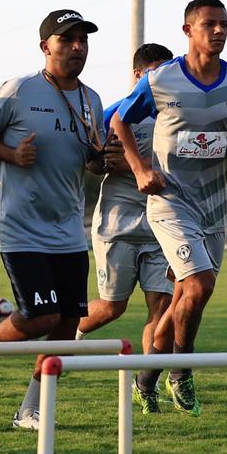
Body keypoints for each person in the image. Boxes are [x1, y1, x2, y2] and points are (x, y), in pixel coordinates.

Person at [112, 0, 227, 417]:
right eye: (209, 24)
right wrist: (140, 167)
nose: (218, 31)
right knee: (198, 286)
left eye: (224, 25)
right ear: (188, 31)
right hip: (169, 203)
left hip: (214, 210)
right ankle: (181, 370)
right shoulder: (160, 80)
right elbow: (118, 121)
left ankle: (145, 379)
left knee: (185, 297)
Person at [0, 9, 105, 430]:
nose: (77, 47)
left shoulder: (91, 99)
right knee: (39, 316)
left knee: (66, 324)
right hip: (21, 225)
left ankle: (30, 409)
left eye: (83, 39)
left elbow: (91, 161)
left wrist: (104, 160)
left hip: (67, 229)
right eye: (67, 39)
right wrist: (12, 155)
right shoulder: (19, 90)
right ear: (46, 47)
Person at [75, 43, 175, 414]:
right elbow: (91, 162)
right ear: (139, 76)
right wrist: (109, 163)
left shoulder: (178, 116)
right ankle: (72, 334)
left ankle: (145, 384)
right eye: (158, 72)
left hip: (164, 226)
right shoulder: (117, 112)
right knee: (113, 308)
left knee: (160, 309)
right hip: (118, 225)